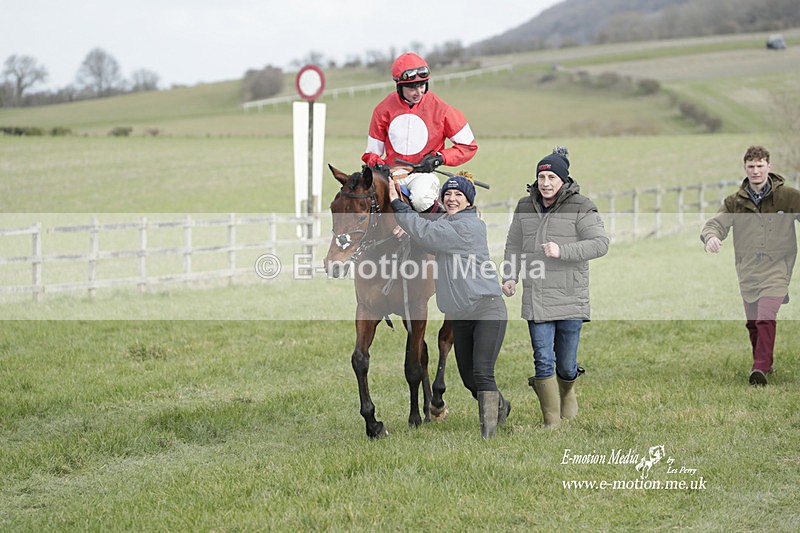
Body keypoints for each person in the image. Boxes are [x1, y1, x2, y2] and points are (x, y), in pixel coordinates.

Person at [388, 173, 509, 438]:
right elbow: (422, 234)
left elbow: (426, 232)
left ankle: (487, 437)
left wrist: (398, 204)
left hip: (487, 308)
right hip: (460, 314)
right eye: (448, 194)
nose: (452, 199)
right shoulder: (447, 224)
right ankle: (501, 406)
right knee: (468, 379)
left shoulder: (470, 227)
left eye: (459, 195)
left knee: (482, 371)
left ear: (468, 202)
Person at [502, 147, 609, 429]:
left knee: (566, 364)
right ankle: (551, 421)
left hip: (571, 296)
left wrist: (562, 250)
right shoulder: (525, 206)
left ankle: (568, 390)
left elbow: (600, 244)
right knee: (542, 358)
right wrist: (509, 276)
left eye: (552, 177)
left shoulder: (581, 205)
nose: (546, 183)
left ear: (564, 180)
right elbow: (513, 245)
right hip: (536, 295)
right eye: (542, 177)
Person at [701, 145, 800, 386]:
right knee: (753, 323)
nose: (755, 171)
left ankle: (760, 368)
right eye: (751, 167)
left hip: (779, 266)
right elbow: (715, 224)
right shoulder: (735, 202)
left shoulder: (788, 197)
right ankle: (766, 362)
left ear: (769, 167)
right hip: (747, 270)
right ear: (745, 169)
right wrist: (711, 237)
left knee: (766, 317)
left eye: (760, 166)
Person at [363, 52, 478, 213]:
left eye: (422, 85)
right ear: (399, 86)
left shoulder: (442, 109)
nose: (418, 92)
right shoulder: (383, 109)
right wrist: (378, 164)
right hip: (391, 174)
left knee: (421, 200)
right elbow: (371, 154)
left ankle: (443, 228)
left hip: (422, 175)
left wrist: (440, 158)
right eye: (411, 87)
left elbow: (468, 146)